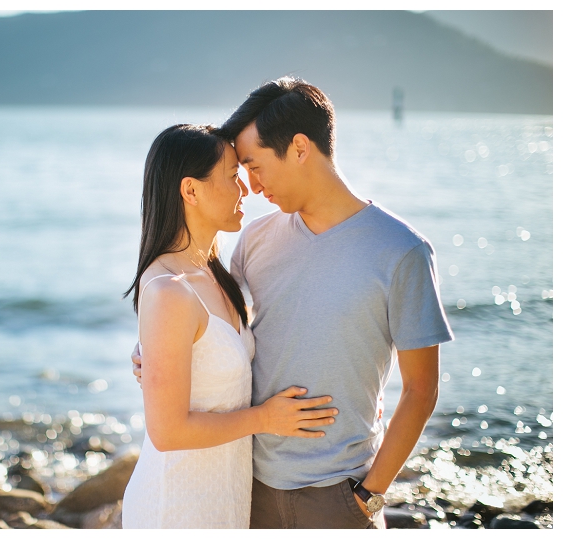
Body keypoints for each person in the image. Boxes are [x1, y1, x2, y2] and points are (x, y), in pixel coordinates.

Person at [131, 77, 454, 529]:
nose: (252, 188)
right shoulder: (255, 241)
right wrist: (150, 352)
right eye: (239, 173)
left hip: (339, 496)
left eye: (255, 166)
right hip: (246, 489)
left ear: (300, 148)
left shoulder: (402, 252)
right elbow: (211, 326)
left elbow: (422, 391)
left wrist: (369, 497)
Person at [121, 124, 339, 529]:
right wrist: (266, 419)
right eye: (233, 177)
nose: (246, 190)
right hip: (175, 509)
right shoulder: (169, 290)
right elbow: (167, 432)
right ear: (191, 190)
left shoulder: (216, 274)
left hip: (222, 501)